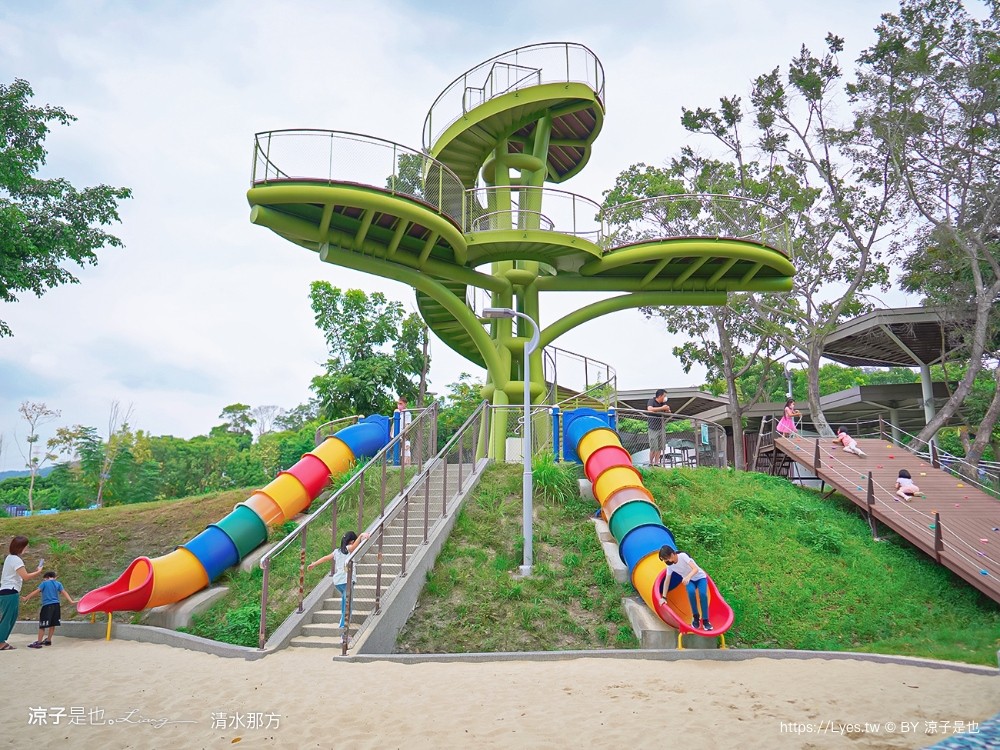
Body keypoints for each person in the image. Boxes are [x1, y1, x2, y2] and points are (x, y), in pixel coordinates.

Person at [308, 530, 370, 629]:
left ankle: (343, 624)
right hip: (347, 580)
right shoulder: (349, 548)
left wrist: (314, 564)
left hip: (338, 581)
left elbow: (325, 558)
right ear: (351, 541)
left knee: (345, 601)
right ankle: (343, 627)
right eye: (354, 541)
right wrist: (362, 535)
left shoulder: (336, 551)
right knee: (348, 604)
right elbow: (354, 547)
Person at [0, 535, 44, 650]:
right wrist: (38, 572)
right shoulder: (16, 559)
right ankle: (1, 642)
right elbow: (25, 577)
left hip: (7, 591)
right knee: (8, 618)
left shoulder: (10, 558)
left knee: (9, 617)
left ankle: (2, 640)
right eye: (26, 546)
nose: (27, 548)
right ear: (21, 547)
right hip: (10, 591)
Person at [658, 545, 712, 631]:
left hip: (700, 577)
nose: (666, 561)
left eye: (666, 558)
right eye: (665, 560)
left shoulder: (682, 556)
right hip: (689, 580)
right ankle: (696, 617)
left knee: (703, 595)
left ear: (672, 554)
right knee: (691, 592)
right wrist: (663, 597)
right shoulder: (670, 566)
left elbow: (695, 569)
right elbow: (667, 581)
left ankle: (706, 620)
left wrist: (688, 577)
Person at [23, 570, 75, 648]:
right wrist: (71, 601)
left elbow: (36, 591)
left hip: (47, 606)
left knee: (42, 624)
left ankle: (39, 642)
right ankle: (48, 640)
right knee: (53, 624)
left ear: (47, 577)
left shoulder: (44, 583)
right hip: (56, 605)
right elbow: (64, 592)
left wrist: (26, 598)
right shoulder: (58, 584)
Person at [646, 389, 672, 466]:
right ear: (660, 396)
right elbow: (650, 409)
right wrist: (662, 408)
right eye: (664, 396)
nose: (665, 398)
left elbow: (668, 411)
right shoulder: (651, 401)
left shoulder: (663, 403)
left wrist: (667, 410)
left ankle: (656, 463)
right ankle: (651, 463)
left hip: (661, 428)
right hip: (652, 428)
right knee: (654, 447)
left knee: (660, 447)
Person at [394, 396, 413, 467]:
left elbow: (407, 425)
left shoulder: (407, 413)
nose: (399, 405)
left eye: (401, 404)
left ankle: (407, 465)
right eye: (398, 403)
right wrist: (391, 432)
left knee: (406, 450)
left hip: (402, 435)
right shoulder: (398, 413)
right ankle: (398, 463)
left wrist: (403, 434)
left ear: (405, 404)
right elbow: (394, 423)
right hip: (396, 435)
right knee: (398, 451)